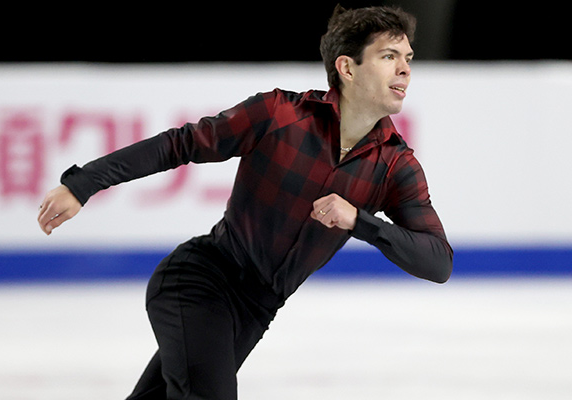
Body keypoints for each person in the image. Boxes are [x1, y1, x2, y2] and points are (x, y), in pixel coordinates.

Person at [38, 4, 452, 399]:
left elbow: (438, 262)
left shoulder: (395, 166)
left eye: (408, 58)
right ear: (347, 68)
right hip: (200, 281)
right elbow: (180, 144)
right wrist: (83, 183)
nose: (404, 69)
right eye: (388, 56)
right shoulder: (280, 115)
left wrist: (360, 221)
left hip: (255, 312)